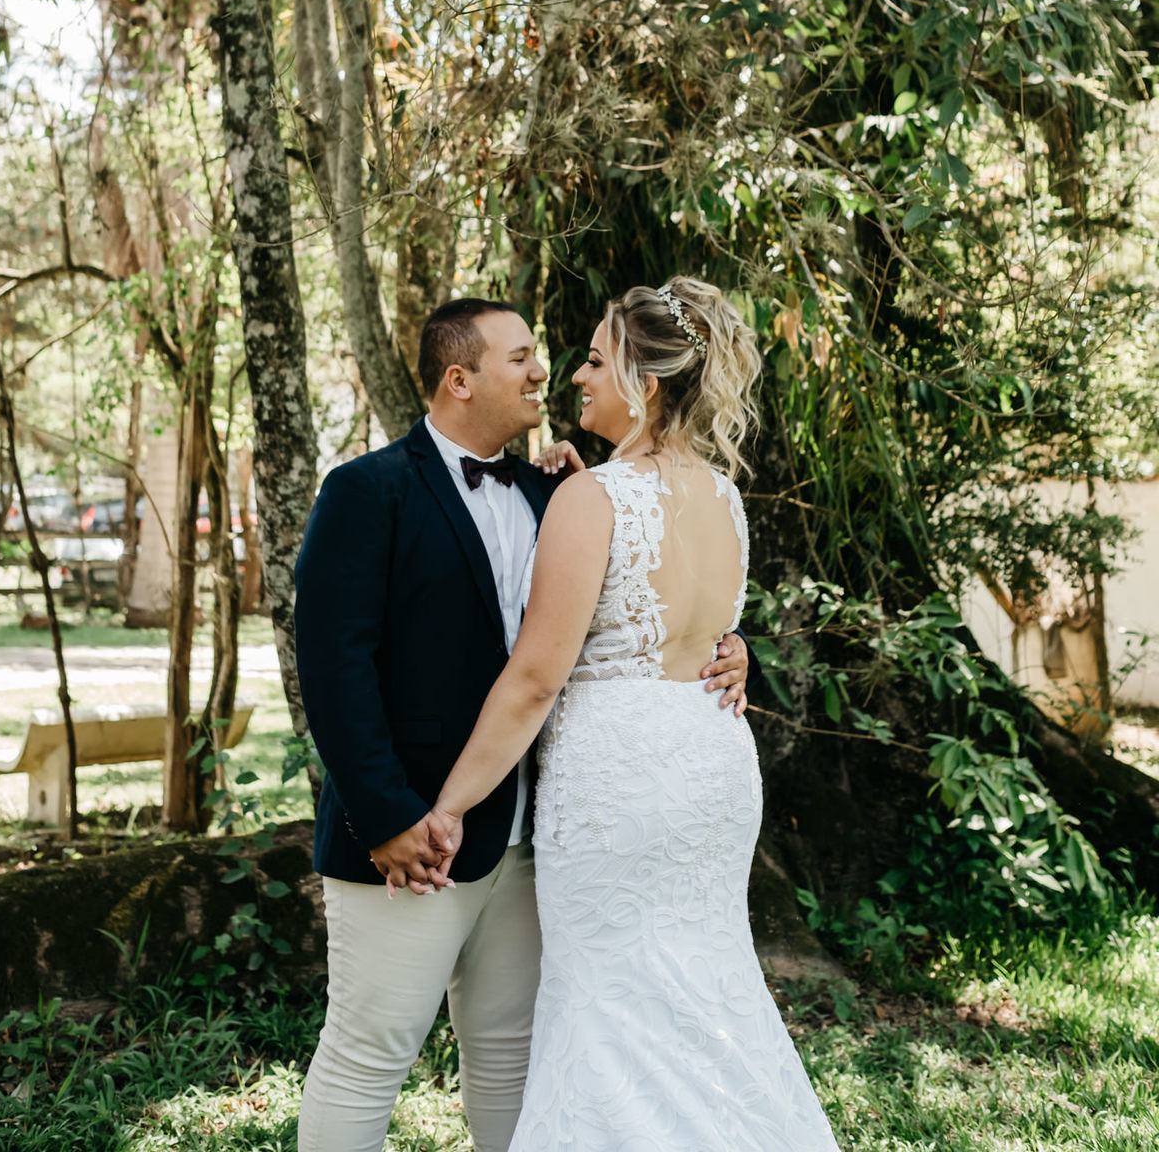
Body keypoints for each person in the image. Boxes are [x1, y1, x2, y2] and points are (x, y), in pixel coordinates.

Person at [293, 296, 752, 1152]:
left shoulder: (566, 491)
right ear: (459, 380)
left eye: (550, 356)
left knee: (512, 1053)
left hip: (542, 833)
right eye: (521, 358)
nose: (545, 371)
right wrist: (386, 817)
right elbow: (331, 668)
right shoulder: (366, 492)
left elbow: (635, 612)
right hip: (414, 836)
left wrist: (729, 648)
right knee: (368, 1054)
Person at [423, 279, 842, 1152]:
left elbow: (535, 679)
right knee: (705, 992)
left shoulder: (595, 499)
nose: (574, 376)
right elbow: (696, 627)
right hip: (711, 762)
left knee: (612, 1004)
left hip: (622, 783)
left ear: (644, 385)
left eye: (593, 360)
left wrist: (451, 804)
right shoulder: (723, 497)